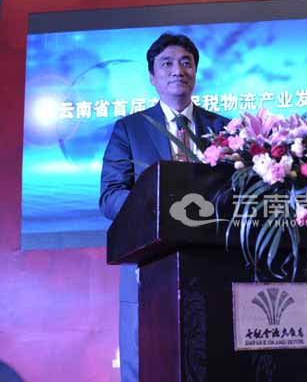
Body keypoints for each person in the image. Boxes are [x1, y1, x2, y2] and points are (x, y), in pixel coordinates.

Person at [100, 33, 229, 382]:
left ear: (196, 72)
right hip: (150, 263)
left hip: (214, 261)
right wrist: (159, 209)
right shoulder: (130, 129)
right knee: (148, 360)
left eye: (186, 62)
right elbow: (110, 196)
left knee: (216, 357)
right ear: (152, 76)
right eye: (167, 64)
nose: (178, 70)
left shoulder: (225, 129)